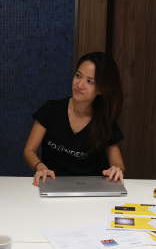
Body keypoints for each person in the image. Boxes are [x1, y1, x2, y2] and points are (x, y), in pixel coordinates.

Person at [24, 51, 125, 185]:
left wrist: (116, 170)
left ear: (101, 89)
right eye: (78, 76)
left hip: (91, 189)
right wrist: (40, 167)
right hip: (52, 184)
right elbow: (29, 150)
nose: (80, 85)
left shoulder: (104, 120)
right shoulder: (51, 109)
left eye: (90, 81)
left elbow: (118, 163)